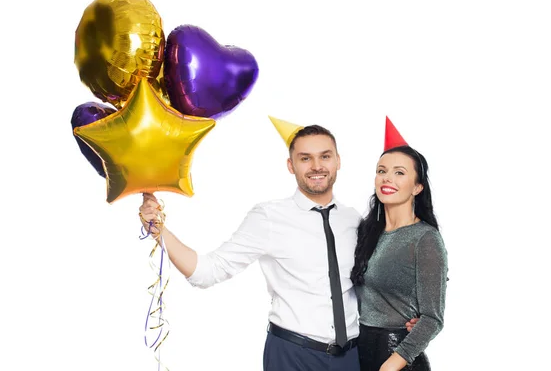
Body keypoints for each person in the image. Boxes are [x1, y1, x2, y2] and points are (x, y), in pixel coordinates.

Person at [139, 116, 417, 371]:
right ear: (290, 165)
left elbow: (370, 285)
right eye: (305, 158)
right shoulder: (269, 217)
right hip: (292, 355)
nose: (317, 166)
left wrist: (406, 316)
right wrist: (159, 231)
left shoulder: (353, 220)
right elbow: (207, 272)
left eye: (325, 156)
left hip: (350, 357)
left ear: (338, 162)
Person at [351, 117, 448, 371]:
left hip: (397, 359)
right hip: (359, 352)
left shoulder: (425, 238)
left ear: (417, 187)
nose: (387, 178)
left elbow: (432, 319)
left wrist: (391, 365)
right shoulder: (366, 232)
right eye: (382, 171)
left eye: (399, 173)